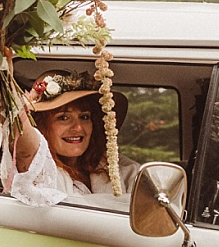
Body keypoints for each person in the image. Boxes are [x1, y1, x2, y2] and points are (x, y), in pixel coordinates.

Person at [7, 69, 138, 206]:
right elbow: (25, 145)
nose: (78, 127)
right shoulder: (41, 168)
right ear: (39, 125)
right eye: (63, 118)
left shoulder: (112, 166)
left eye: (84, 117)